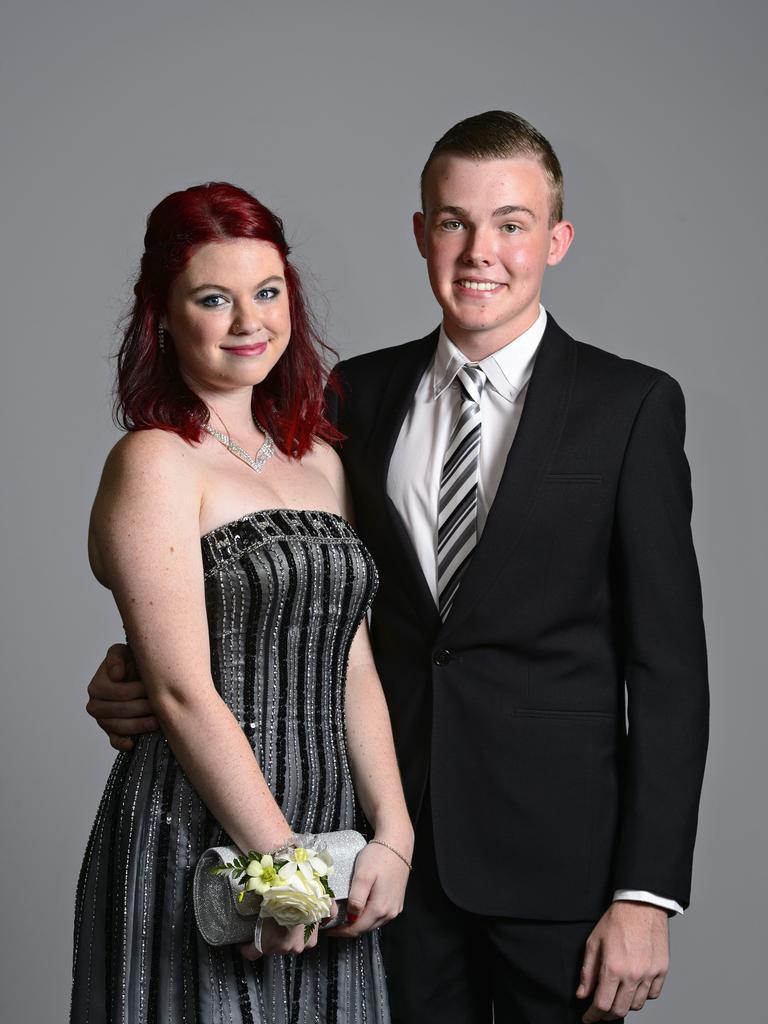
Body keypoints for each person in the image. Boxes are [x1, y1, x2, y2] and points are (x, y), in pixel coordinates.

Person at [86, 113, 709, 1024]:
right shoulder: (344, 405)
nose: (479, 251)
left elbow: (669, 669)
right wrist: (135, 669)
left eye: (512, 223)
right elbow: (266, 589)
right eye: (454, 222)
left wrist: (646, 894)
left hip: (557, 864)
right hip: (375, 862)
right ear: (421, 234)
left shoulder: (632, 406)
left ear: (557, 239)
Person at [72, 182, 413, 1024]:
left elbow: (354, 661)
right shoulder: (155, 461)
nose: (247, 321)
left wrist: (394, 834)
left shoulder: (320, 461)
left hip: (329, 829)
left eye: (266, 293)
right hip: (203, 830)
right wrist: (276, 863)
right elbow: (183, 689)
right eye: (213, 299)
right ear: (162, 315)